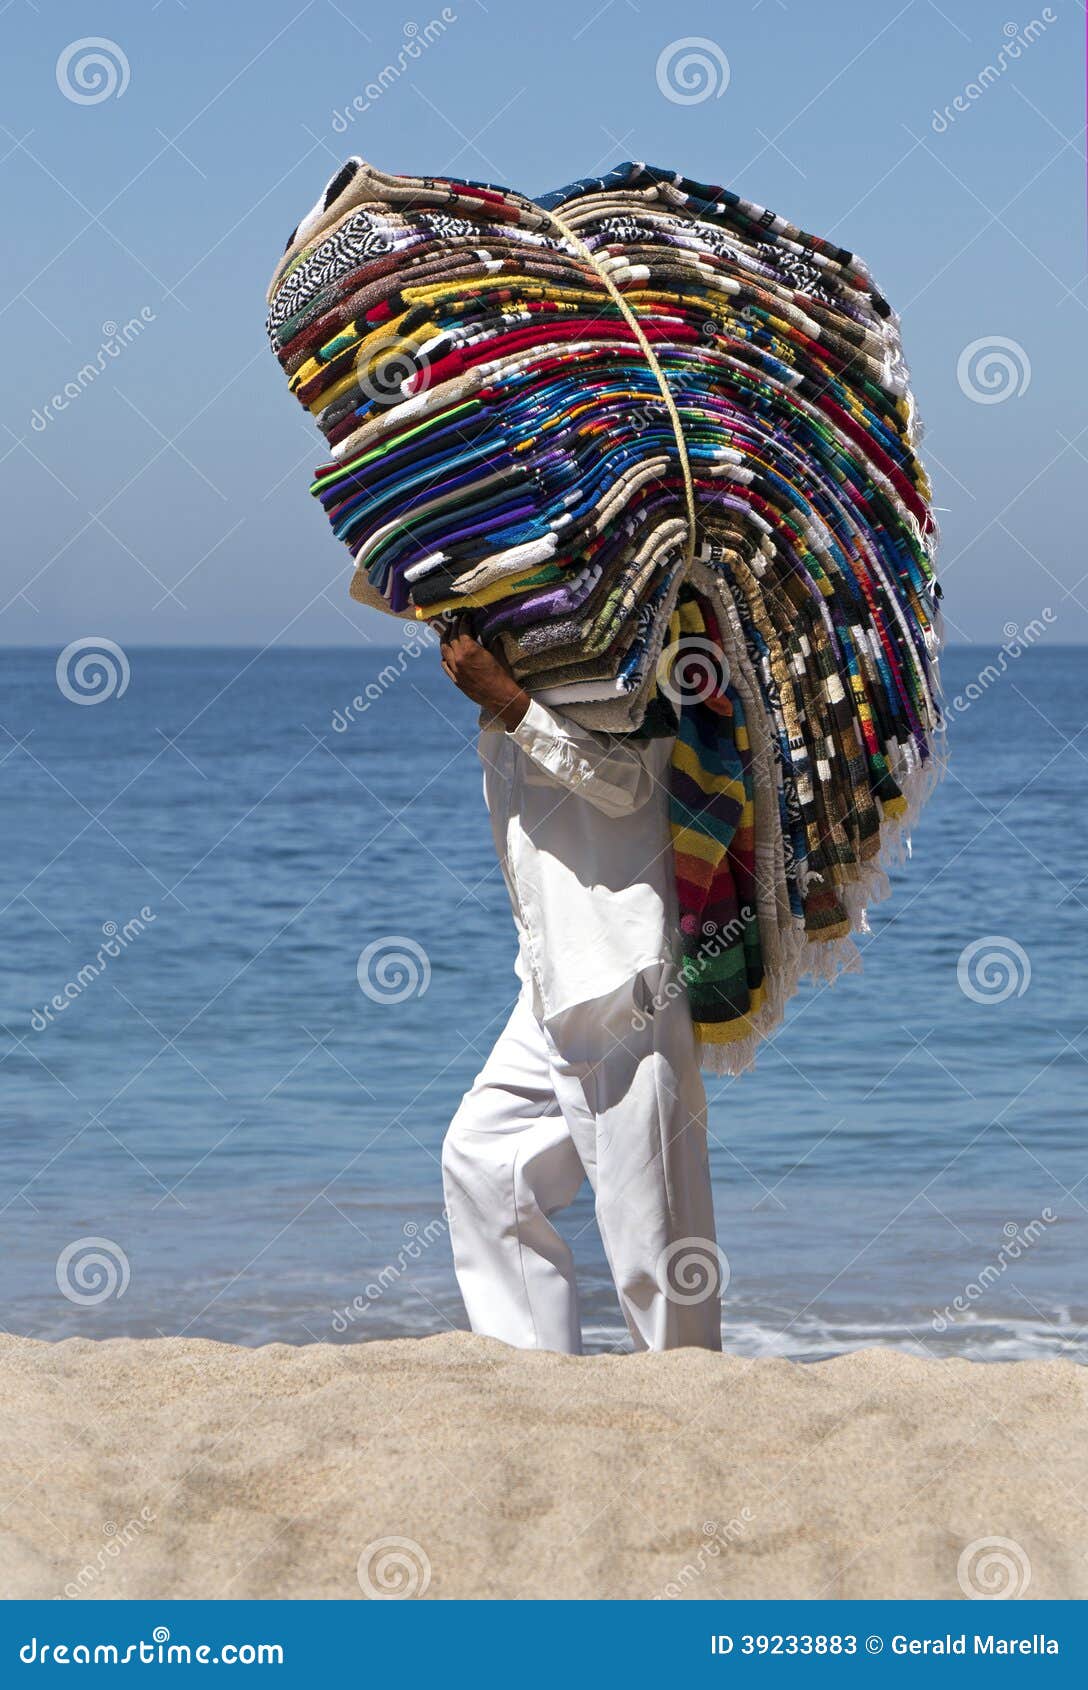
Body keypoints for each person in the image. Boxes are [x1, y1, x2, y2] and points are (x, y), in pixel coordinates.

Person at [435, 614, 722, 1356]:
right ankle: (534, 1377)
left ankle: (694, 1398)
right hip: (550, 972)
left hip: (625, 970)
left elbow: (629, 783)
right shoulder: (533, 651)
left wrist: (511, 703)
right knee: (485, 1159)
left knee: (650, 1227)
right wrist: (505, 690)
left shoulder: (634, 635)